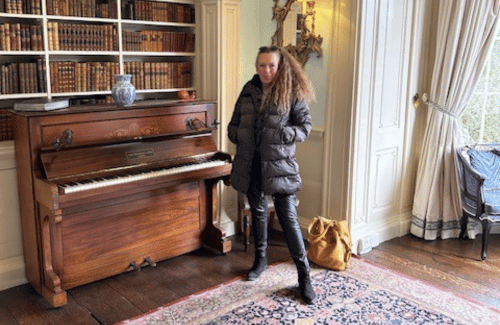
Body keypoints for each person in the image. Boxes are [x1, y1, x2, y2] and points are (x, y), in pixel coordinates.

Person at [227, 46, 316, 305]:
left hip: (280, 167)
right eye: (262, 65)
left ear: (281, 66)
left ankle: (304, 277)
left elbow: (305, 127)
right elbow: (234, 123)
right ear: (256, 66)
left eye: (272, 65)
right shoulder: (248, 89)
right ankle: (260, 260)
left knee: (288, 220)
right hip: (251, 164)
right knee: (257, 212)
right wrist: (238, 136)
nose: (267, 70)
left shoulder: (291, 92)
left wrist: (281, 135)